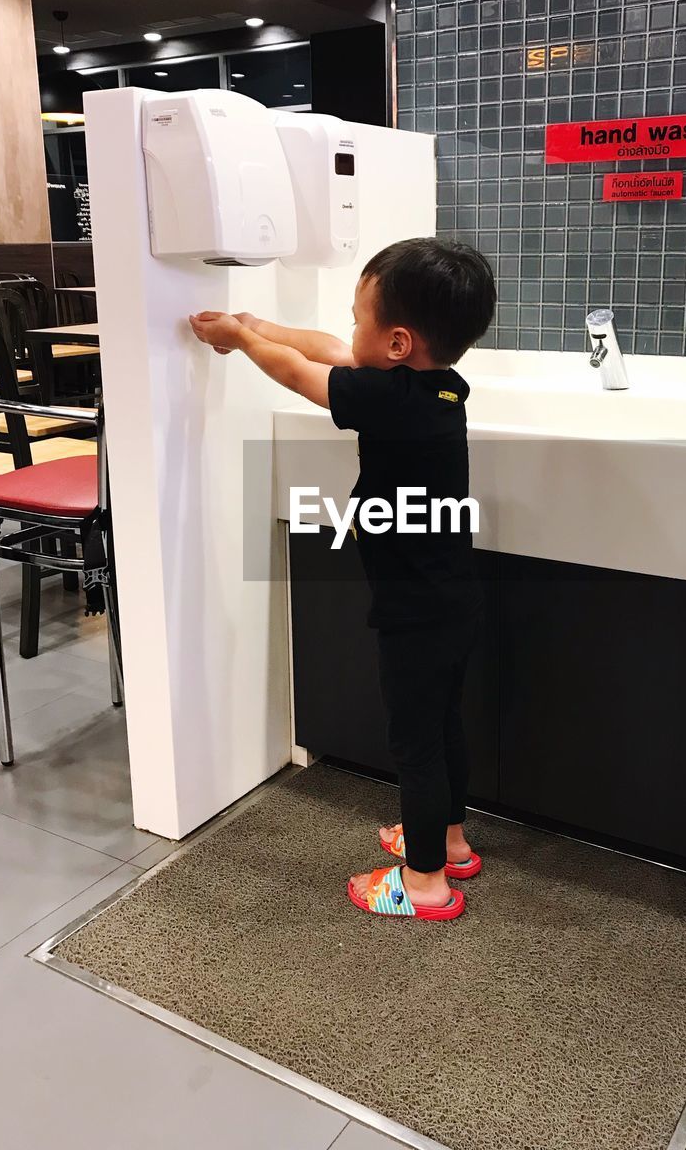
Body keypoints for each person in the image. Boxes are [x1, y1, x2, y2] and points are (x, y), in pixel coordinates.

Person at [189, 237, 497, 921]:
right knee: (442, 725)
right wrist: (259, 325)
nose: (349, 328)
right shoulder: (438, 385)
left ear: (396, 343)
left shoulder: (389, 397)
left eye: (362, 317)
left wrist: (243, 341)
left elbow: (304, 375)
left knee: (415, 744)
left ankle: (424, 885)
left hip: (412, 613)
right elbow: (329, 347)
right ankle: (449, 844)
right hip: (452, 601)